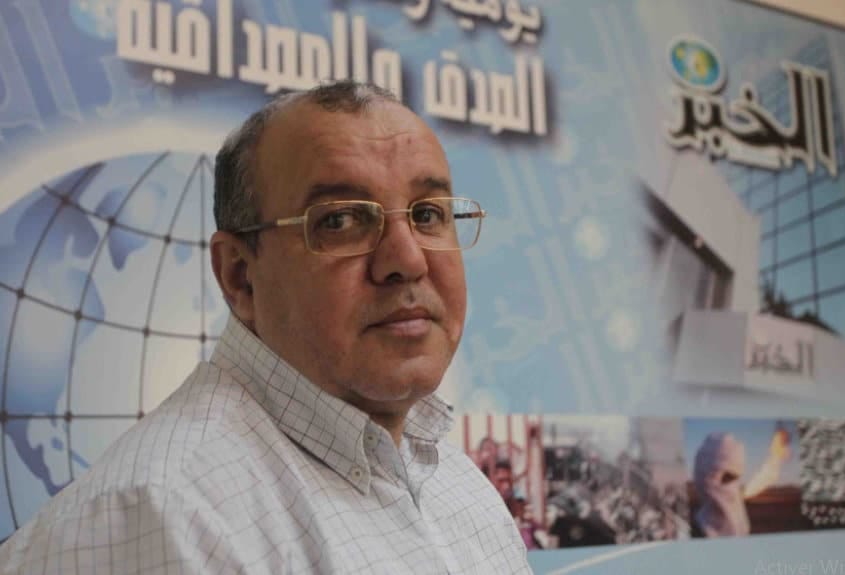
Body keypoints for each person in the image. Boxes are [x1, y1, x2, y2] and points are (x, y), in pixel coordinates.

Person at [0, 82, 532, 574]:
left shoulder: (459, 485)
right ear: (240, 276)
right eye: (340, 220)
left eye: (428, 214)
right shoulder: (162, 519)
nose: (408, 260)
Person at [691, 429, 790, 538]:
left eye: (734, 478)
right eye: (726, 478)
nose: (732, 486)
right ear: (703, 477)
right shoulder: (695, 533)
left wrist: (776, 458)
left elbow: (763, 479)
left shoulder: (735, 503)